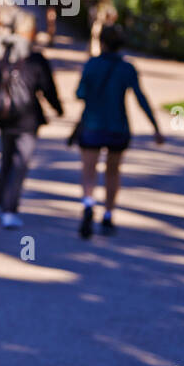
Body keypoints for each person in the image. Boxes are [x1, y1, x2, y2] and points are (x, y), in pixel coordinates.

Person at [0, 11, 63, 228]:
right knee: (19, 164)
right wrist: (58, 108)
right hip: (28, 121)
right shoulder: (35, 59)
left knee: (6, 162)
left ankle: (3, 201)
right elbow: (48, 88)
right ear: (29, 32)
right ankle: (9, 209)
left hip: (4, 119)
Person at [74, 24, 164, 238]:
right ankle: (108, 215)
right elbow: (141, 98)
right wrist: (155, 127)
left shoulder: (92, 65)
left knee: (89, 170)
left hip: (92, 125)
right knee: (113, 172)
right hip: (117, 128)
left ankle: (88, 204)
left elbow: (80, 93)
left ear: (102, 43)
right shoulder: (127, 68)